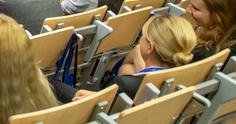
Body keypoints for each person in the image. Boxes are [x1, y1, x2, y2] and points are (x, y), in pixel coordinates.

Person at [64, 15, 195, 103]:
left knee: (53, 85)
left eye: (143, 37)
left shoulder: (125, 84)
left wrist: (96, 97)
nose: (140, 41)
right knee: (127, 68)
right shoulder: (187, 76)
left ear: (150, 47)